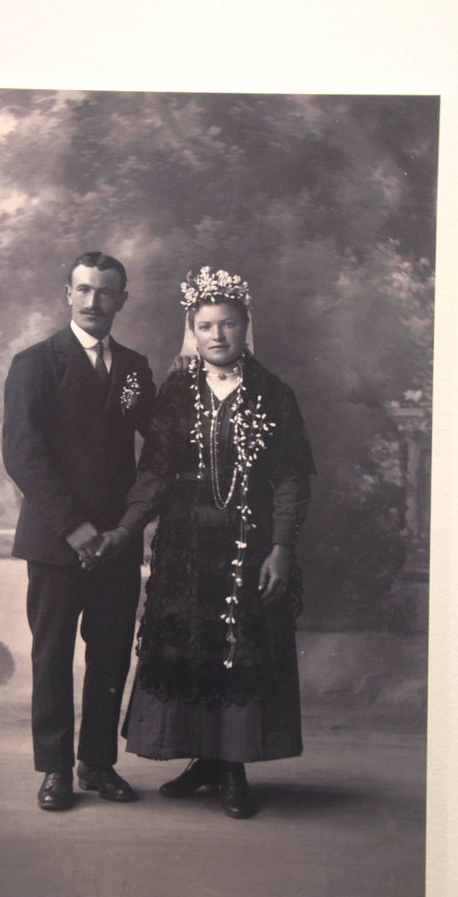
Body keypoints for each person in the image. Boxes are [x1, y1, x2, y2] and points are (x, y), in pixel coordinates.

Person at [97, 266, 314, 819]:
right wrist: (126, 527)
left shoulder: (273, 393)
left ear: (246, 327)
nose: (218, 335)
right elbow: (155, 472)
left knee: (238, 650)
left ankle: (233, 766)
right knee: (191, 647)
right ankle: (204, 760)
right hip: (186, 546)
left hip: (249, 542)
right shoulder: (176, 393)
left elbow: (291, 478)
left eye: (229, 324)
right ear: (193, 332)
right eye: (206, 326)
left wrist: (281, 548)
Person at [2, 251, 155, 811]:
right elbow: (23, 454)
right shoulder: (35, 364)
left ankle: (97, 763)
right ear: (67, 293)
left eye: (105, 291)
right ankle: (55, 769)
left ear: (121, 300)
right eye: (84, 289)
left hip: (116, 542)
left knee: (111, 654)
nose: (94, 301)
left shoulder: (134, 368)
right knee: (52, 655)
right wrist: (74, 526)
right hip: (54, 540)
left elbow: (160, 447)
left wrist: (126, 525)